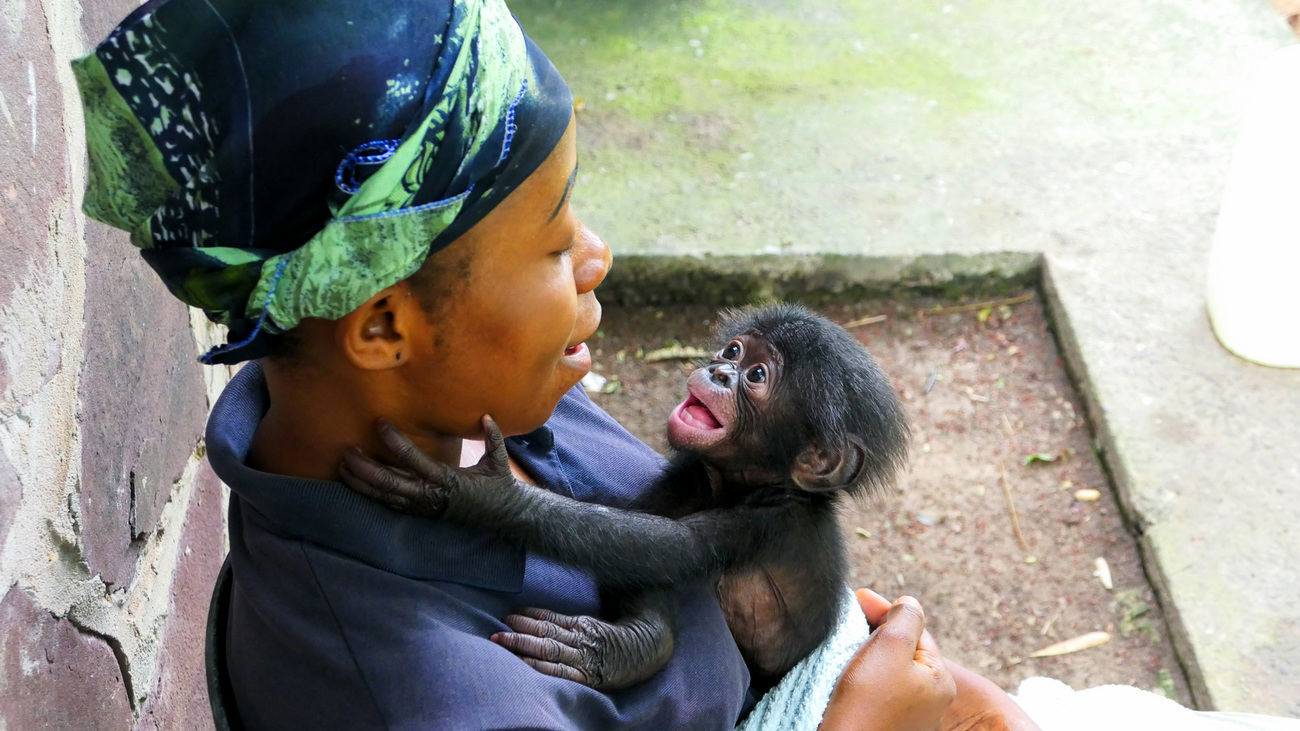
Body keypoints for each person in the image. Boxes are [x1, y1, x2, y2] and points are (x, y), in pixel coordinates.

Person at [72, 0, 1042, 727]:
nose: (597, 254)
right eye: (549, 242)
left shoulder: (487, 403)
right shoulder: (431, 697)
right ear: (381, 325)